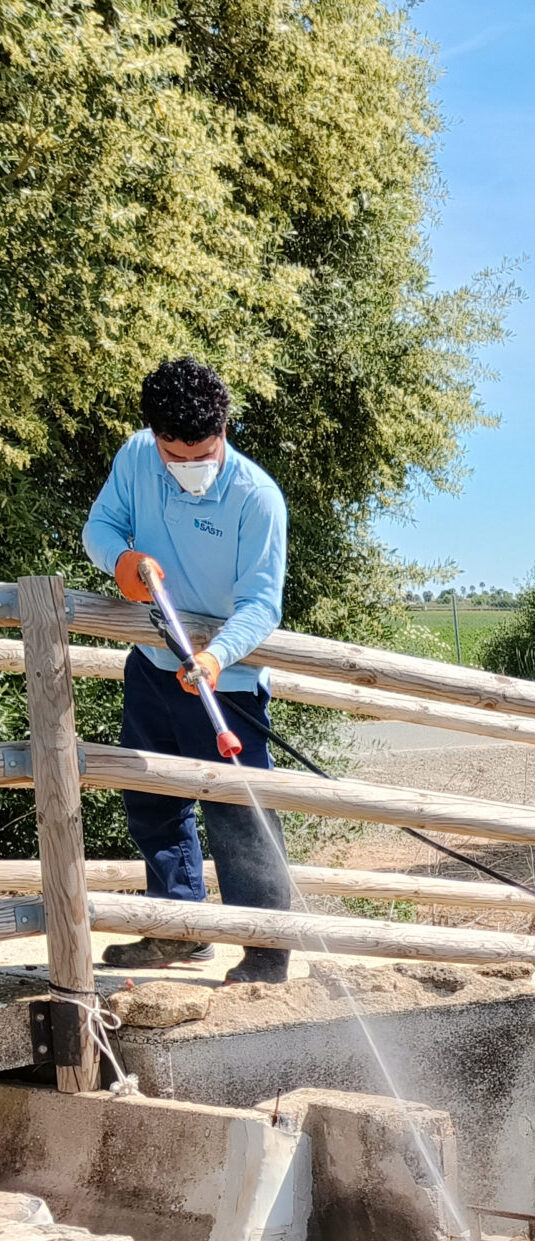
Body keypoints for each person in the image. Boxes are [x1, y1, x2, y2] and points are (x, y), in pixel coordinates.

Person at [81, 357, 292, 985]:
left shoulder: (257, 499)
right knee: (151, 798)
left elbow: (262, 603)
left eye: (202, 452)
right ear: (155, 438)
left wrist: (217, 654)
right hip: (151, 665)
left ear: (223, 428)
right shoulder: (136, 458)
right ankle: (178, 928)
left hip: (226, 683)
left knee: (240, 813)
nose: (188, 465)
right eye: (176, 454)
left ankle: (265, 951)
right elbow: (102, 526)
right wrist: (120, 561)